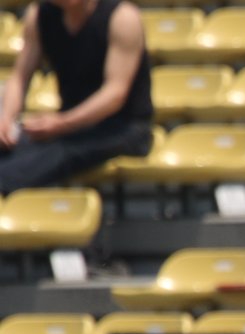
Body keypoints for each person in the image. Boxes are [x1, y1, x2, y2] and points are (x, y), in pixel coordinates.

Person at [0, 0, 154, 194]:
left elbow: (115, 93)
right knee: (10, 148)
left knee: (24, 167)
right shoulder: (40, 15)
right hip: (69, 129)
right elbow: (20, 77)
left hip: (122, 129)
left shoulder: (122, 17)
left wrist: (62, 123)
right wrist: (6, 120)